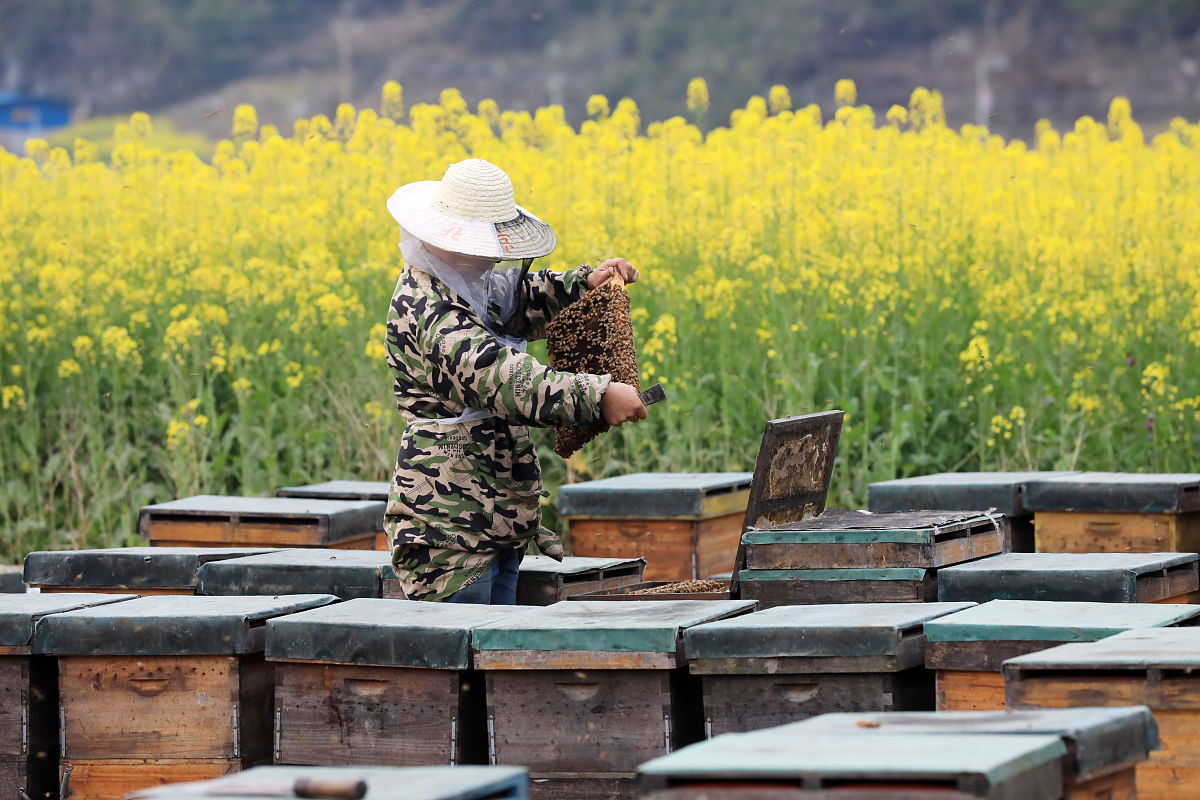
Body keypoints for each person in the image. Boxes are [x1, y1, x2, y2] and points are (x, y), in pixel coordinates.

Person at [382, 158, 645, 604]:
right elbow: (503, 379)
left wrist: (584, 285)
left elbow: (518, 298)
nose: (496, 252)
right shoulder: (429, 311)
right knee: (467, 658)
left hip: (497, 510)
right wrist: (597, 395)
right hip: (449, 528)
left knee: (497, 649)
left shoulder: (467, 281)